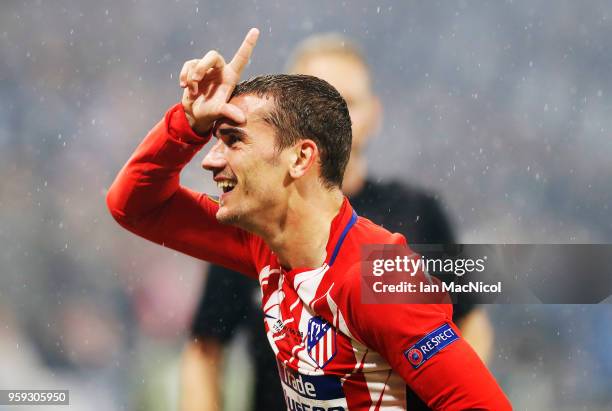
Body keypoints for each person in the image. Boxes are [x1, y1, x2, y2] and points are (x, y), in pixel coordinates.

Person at [107, 28, 511, 410]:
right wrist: (187, 123)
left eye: (233, 140)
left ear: (301, 157)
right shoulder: (261, 240)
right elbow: (134, 206)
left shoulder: (381, 272)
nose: (211, 160)